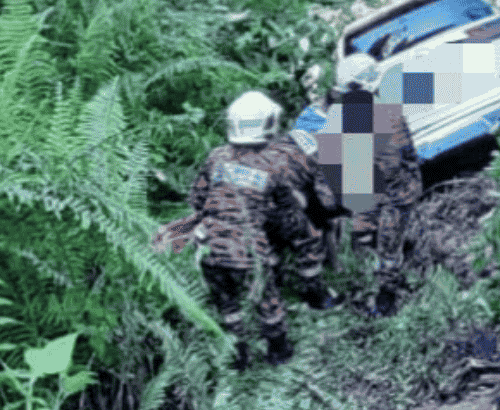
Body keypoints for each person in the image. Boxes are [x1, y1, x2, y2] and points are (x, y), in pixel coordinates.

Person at [150, 90, 339, 370]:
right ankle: (279, 349)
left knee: (227, 304)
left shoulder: (216, 157)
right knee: (267, 300)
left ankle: (238, 356)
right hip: (248, 251)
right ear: (268, 124)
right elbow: (288, 211)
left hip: (209, 247)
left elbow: (198, 199)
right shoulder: (273, 163)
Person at [291, 52, 423, 317]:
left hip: (389, 191)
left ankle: (386, 295)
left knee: (385, 242)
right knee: (367, 237)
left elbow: (393, 164)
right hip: (369, 189)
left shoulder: (381, 115)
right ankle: (374, 279)